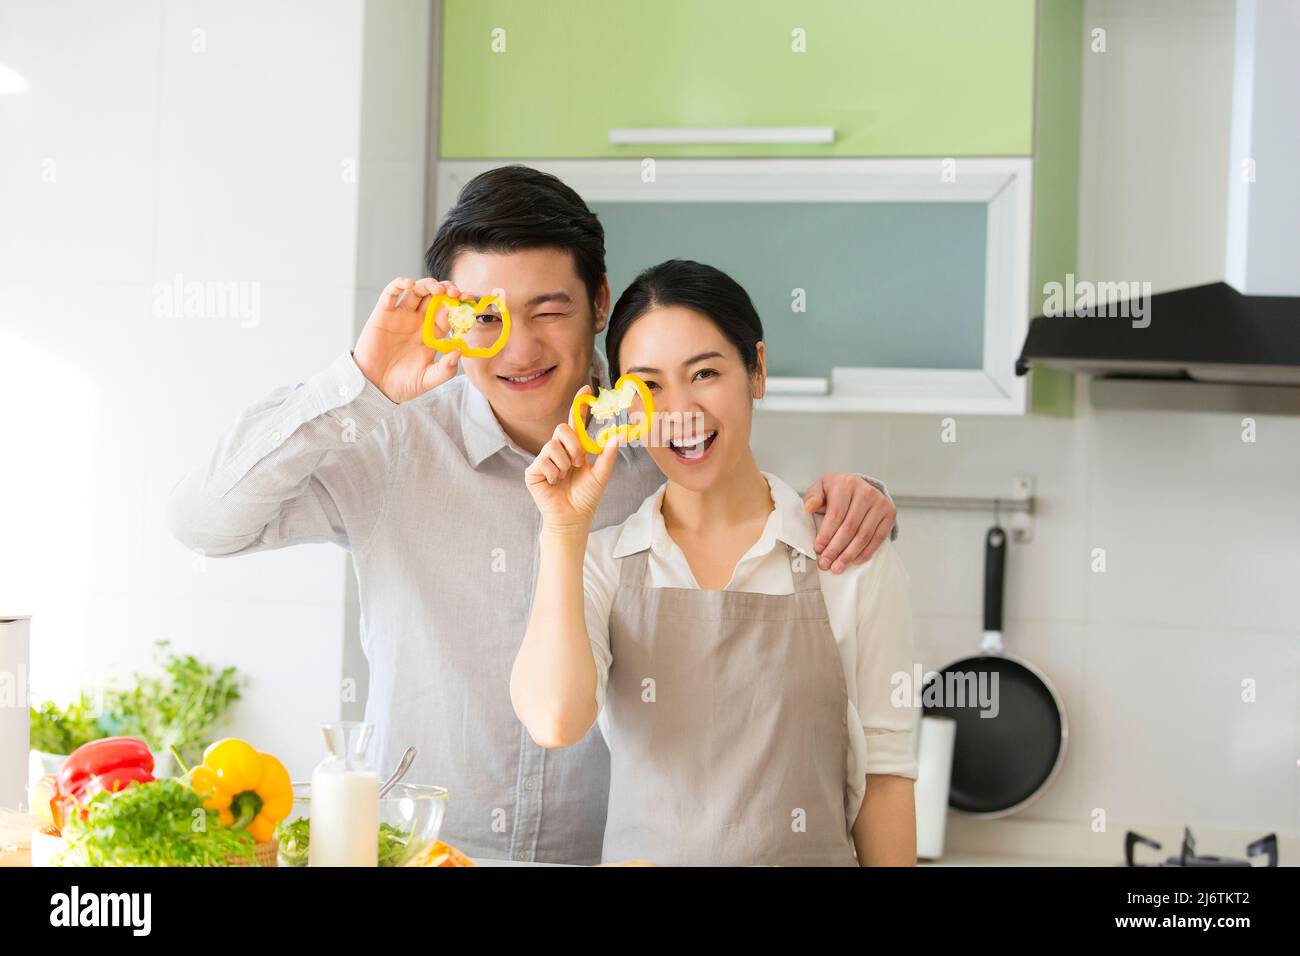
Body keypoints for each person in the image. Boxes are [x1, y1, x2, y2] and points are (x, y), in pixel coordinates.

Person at [166, 167, 899, 864]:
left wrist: (856, 497)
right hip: (422, 857)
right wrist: (356, 383)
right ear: (449, 317)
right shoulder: (390, 438)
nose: (518, 348)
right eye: (485, 317)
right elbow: (204, 521)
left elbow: (769, 518)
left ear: (601, 301)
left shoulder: (663, 447)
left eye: (549, 310)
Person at [513, 259, 917, 866]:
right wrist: (563, 529)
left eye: (704, 372)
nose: (679, 410)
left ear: (756, 370)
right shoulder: (601, 561)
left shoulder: (846, 553)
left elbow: (885, 780)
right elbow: (554, 720)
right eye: (647, 386)